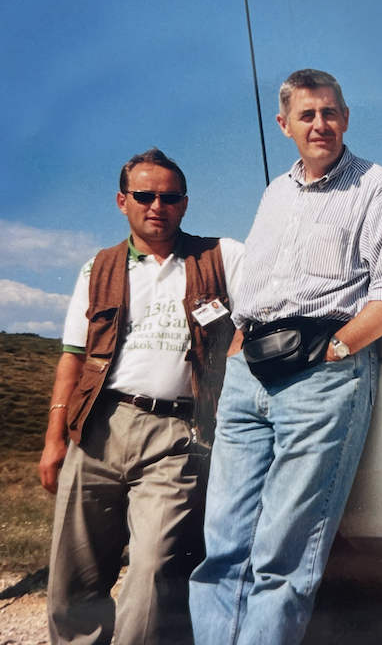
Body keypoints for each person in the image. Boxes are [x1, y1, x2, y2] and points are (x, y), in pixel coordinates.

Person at [188, 69, 382, 645]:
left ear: (345, 116)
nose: (321, 124)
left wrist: (338, 348)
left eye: (331, 112)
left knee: (284, 553)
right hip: (250, 372)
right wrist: (238, 349)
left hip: (320, 375)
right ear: (285, 124)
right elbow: (259, 286)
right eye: (308, 115)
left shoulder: (374, 185)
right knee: (222, 547)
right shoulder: (275, 192)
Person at [41, 148, 243, 645]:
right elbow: (73, 357)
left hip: (179, 433)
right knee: (73, 579)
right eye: (145, 195)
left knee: (155, 571)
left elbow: (252, 326)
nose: (158, 205)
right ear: (122, 201)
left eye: (169, 197)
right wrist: (53, 440)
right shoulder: (98, 268)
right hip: (99, 427)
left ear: (185, 203)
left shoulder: (223, 256)